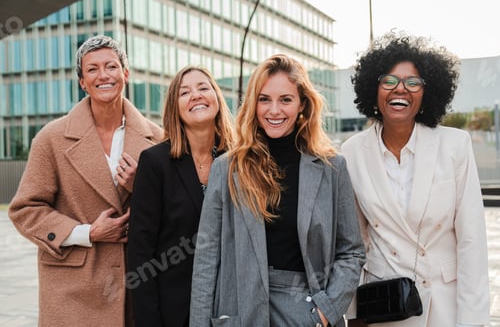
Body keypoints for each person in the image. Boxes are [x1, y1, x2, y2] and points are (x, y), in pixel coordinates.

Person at [189, 54, 365, 327]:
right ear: (253, 104)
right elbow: (207, 256)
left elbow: (351, 251)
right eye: (264, 99)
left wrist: (325, 312)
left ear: (302, 104)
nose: (274, 110)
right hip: (241, 311)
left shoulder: (332, 168)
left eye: (285, 99)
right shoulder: (227, 168)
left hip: (305, 312)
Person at [8, 35, 163, 326]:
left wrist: (140, 189)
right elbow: (25, 210)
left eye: (111, 67)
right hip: (71, 293)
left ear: (125, 74)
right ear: (82, 82)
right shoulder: (51, 138)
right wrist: (88, 232)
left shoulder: (157, 139)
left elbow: (177, 213)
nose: (103, 75)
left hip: (136, 287)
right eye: (92, 69)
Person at [342, 31, 490, 327]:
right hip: (386, 306)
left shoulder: (455, 146)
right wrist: (353, 314)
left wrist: (472, 321)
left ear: (427, 93)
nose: (400, 89)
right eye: (389, 81)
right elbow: (354, 244)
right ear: (374, 89)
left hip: (444, 306)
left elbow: (472, 242)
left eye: (413, 82)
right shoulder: (351, 152)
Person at [126, 65, 234, 326]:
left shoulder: (240, 160)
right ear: (175, 108)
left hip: (232, 307)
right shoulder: (154, 162)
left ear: (217, 97)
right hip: (173, 311)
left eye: (203, 88)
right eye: (184, 92)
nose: (196, 95)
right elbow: (140, 252)